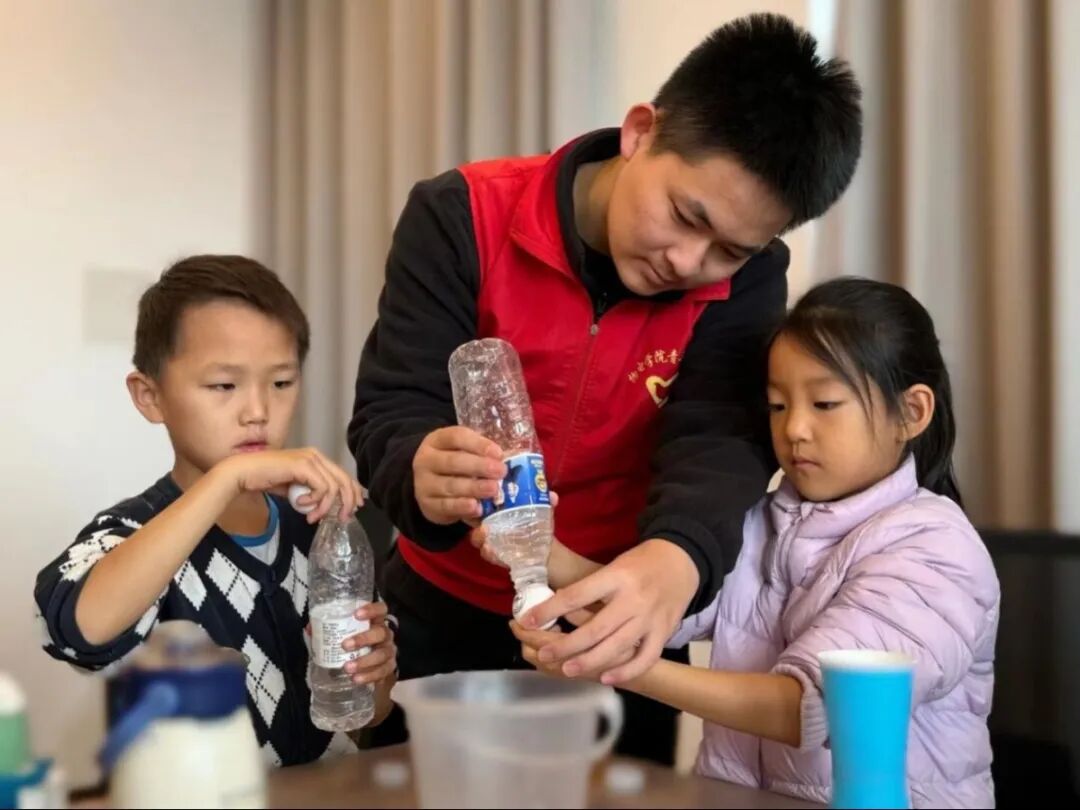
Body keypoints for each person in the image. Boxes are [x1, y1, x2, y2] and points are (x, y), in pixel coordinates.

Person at [349, 13, 862, 763]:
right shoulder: (463, 213)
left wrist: (677, 559)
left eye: (728, 249)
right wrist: (418, 466)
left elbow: (719, 437)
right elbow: (392, 406)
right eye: (685, 216)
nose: (688, 261)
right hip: (440, 611)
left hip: (613, 612)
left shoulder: (750, 281)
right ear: (640, 132)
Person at [511, 277, 1000, 807]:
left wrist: (618, 666)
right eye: (777, 406)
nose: (795, 429)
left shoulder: (937, 548)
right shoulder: (764, 518)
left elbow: (811, 708)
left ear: (912, 412)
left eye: (825, 403)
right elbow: (663, 606)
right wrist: (546, 556)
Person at [35, 256, 398, 766]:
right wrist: (229, 478)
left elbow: (370, 715)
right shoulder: (132, 533)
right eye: (224, 386)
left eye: (281, 383)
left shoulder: (317, 531)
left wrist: (374, 673)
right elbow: (79, 631)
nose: (258, 411)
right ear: (150, 396)